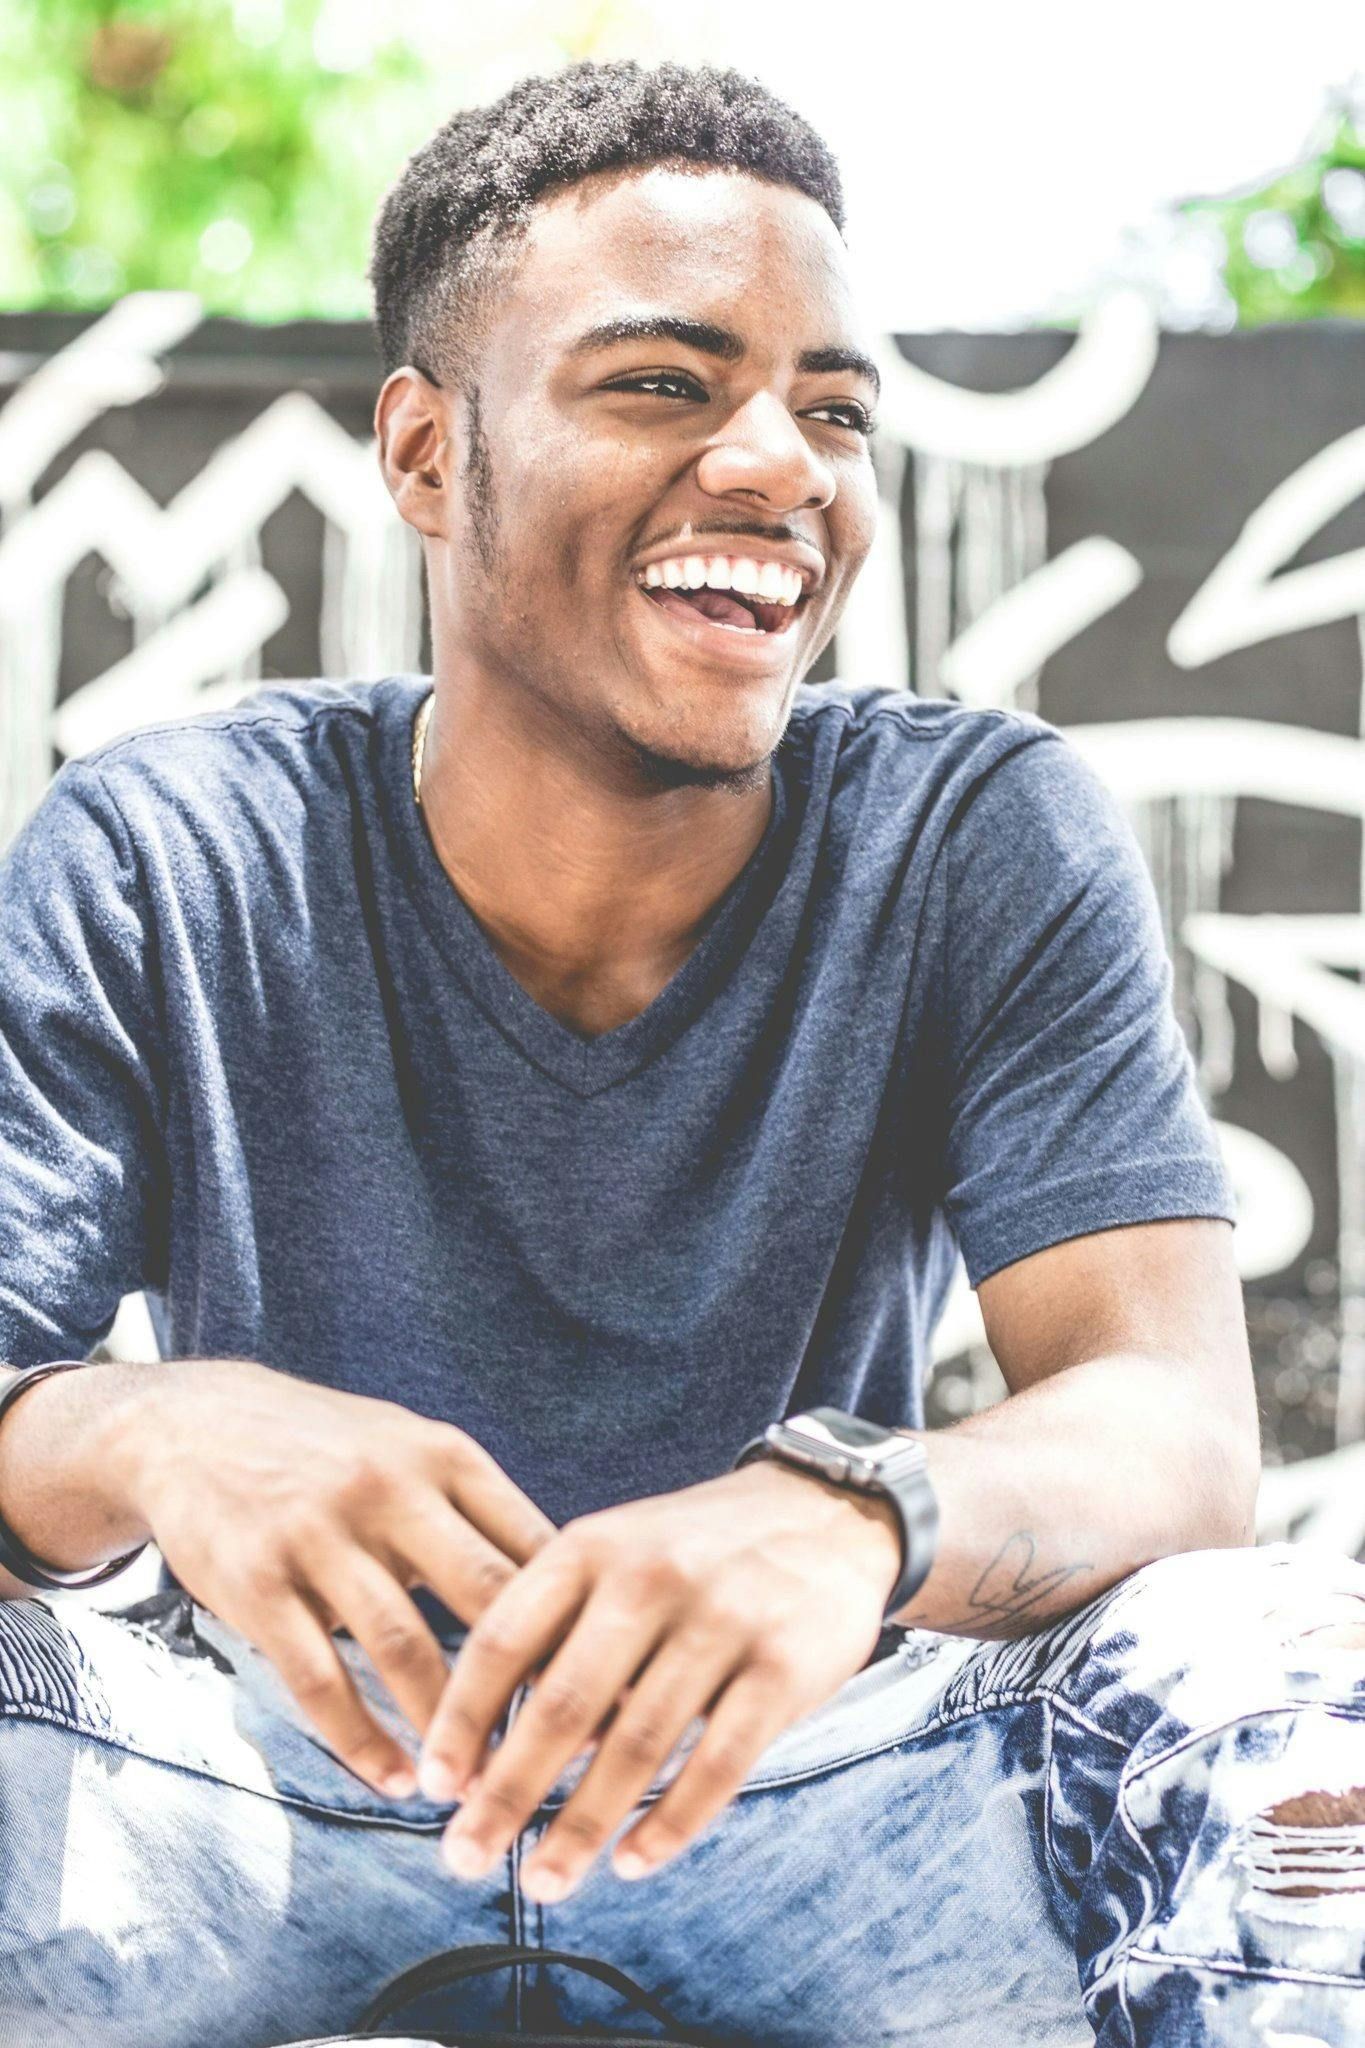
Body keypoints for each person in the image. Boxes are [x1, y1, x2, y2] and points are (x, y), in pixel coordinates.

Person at [0, 58, 1362, 2048]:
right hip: (253, 1795)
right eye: (659, 383)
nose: (780, 466)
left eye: (828, 410)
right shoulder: (161, 843)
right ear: (424, 452)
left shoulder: (966, 829)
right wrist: (148, 1425)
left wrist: (855, 1511)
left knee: (1267, 1659)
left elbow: (1166, 1422)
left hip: (828, 1795)